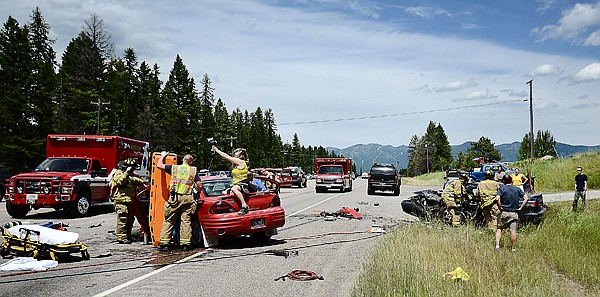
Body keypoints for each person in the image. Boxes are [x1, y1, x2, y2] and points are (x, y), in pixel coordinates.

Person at [156, 153, 202, 251]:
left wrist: (163, 156)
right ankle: (185, 244)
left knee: (169, 219)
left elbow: (159, 165)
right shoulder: (193, 170)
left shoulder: (174, 168)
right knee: (186, 221)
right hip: (188, 198)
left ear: (183, 160)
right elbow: (199, 185)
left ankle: (164, 244)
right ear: (191, 162)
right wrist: (197, 195)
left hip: (175, 198)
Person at [110, 158, 144, 244]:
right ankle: (121, 237)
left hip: (129, 201)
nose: (133, 169)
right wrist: (126, 174)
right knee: (123, 219)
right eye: (131, 168)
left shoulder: (132, 175)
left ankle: (128, 235)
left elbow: (140, 181)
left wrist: (132, 179)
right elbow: (120, 182)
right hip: (121, 201)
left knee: (130, 219)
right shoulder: (119, 173)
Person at [212, 146, 251, 215]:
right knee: (225, 192)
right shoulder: (237, 164)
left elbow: (226, 156)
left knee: (234, 189)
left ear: (239, 155)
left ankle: (244, 205)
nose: (234, 153)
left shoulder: (240, 162)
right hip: (236, 183)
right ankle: (232, 208)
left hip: (242, 183)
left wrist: (217, 150)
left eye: (236, 152)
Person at [495, 175, 528, 251]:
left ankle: (497, 246)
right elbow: (526, 198)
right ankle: (513, 248)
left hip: (504, 212)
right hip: (514, 212)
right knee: (513, 230)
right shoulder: (517, 189)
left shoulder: (502, 189)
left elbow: (497, 199)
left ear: (503, 181)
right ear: (511, 180)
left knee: (499, 228)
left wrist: (500, 207)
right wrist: (520, 208)